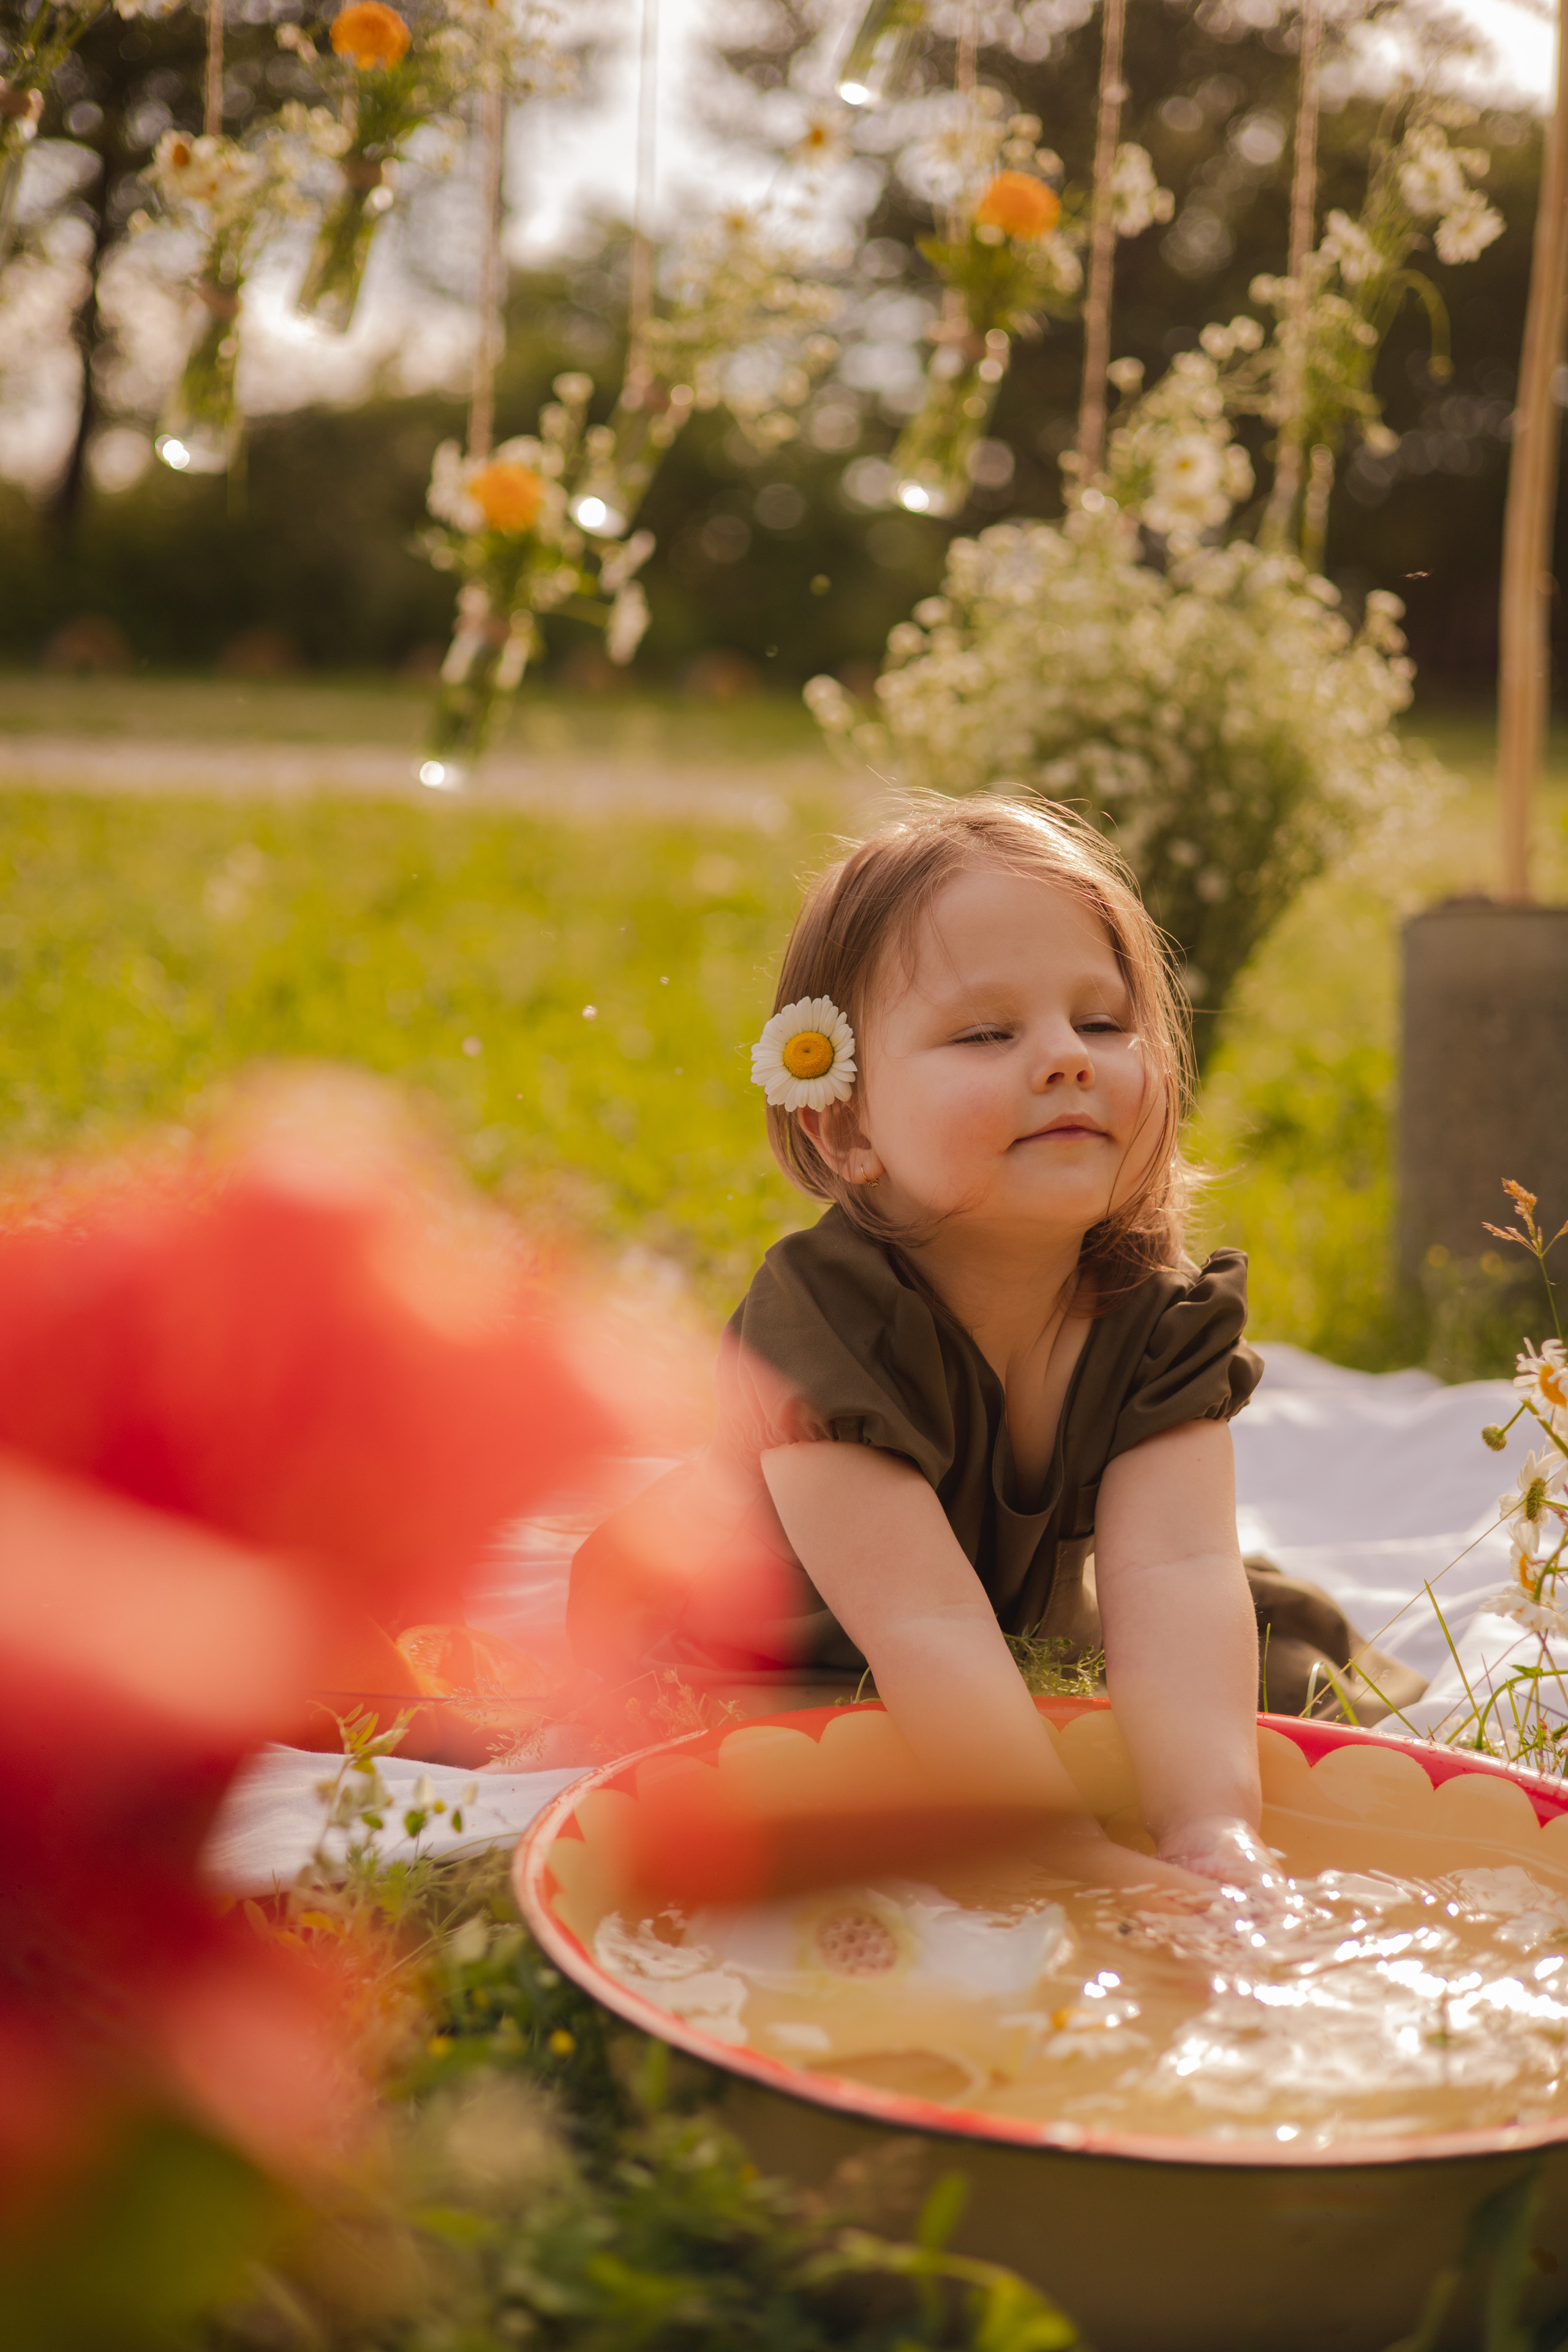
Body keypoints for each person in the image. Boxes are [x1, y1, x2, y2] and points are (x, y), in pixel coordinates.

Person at [571, 796, 1278, 1900]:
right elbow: (924, 1625)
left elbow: (1178, 1569)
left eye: (1102, 1023)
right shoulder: (825, 1323)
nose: (1065, 1058)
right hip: (770, 1660)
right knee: (832, 1820)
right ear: (847, 1125)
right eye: (987, 1034)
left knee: (1240, 1665)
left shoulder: (1156, 1319)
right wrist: (1069, 1857)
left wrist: (1212, 1835)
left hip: (987, 1646)